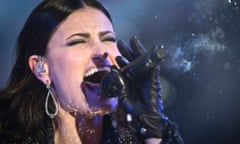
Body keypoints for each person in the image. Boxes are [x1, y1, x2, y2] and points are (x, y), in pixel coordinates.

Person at [0, 0, 183, 143]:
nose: (101, 52)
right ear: (41, 68)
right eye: (78, 41)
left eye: (108, 39)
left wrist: (153, 132)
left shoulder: (134, 137)